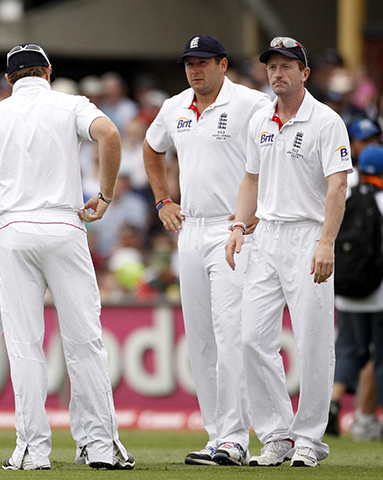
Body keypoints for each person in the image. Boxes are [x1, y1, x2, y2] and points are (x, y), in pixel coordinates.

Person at [0, 42, 134, 471]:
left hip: (15, 228)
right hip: (64, 225)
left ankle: (33, 450)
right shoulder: (70, 104)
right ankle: (100, 445)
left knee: (24, 343)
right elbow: (110, 134)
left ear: (8, 79)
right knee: (85, 339)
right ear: (48, 72)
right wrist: (105, 196)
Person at [143, 35, 271, 466]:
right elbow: (151, 146)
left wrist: (256, 212)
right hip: (191, 229)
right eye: (188, 64)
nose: (195, 70)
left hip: (233, 230)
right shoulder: (174, 107)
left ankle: (236, 438)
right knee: (200, 340)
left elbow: (269, 160)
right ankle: (218, 435)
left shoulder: (251, 104)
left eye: (202, 63)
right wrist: (163, 199)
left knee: (230, 333)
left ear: (222, 63)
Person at [225, 37, 352, 467]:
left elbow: (338, 185)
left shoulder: (327, 120)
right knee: (251, 339)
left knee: (313, 340)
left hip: (308, 236)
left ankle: (309, 439)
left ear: (305, 73)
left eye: (286, 67)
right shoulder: (261, 118)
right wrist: (240, 226)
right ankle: (277, 434)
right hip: (267, 236)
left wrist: (326, 243)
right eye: (272, 67)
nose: (277, 73)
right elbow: (250, 180)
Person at [331, 144, 383, 441]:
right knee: (380, 358)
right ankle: (367, 420)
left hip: (347, 290)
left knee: (349, 351)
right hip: (379, 293)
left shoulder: (346, 194)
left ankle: (334, 404)